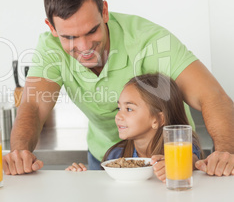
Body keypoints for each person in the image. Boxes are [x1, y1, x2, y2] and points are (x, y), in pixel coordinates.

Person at [3, 0, 234, 176]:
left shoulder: (149, 41)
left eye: (92, 31)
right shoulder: (50, 48)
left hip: (170, 156)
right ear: (52, 28)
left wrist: (225, 152)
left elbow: (212, 96)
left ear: (104, 11)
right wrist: (20, 152)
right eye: (69, 37)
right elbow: (32, 106)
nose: (84, 47)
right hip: (107, 157)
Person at [66, 73, 209, 182]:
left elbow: (193, 160)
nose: (118, 116)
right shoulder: (116, 155)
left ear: (158, 119)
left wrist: (177, 164)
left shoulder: (178, 148)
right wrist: (80, 177)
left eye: (129, 109)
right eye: (118, 108)